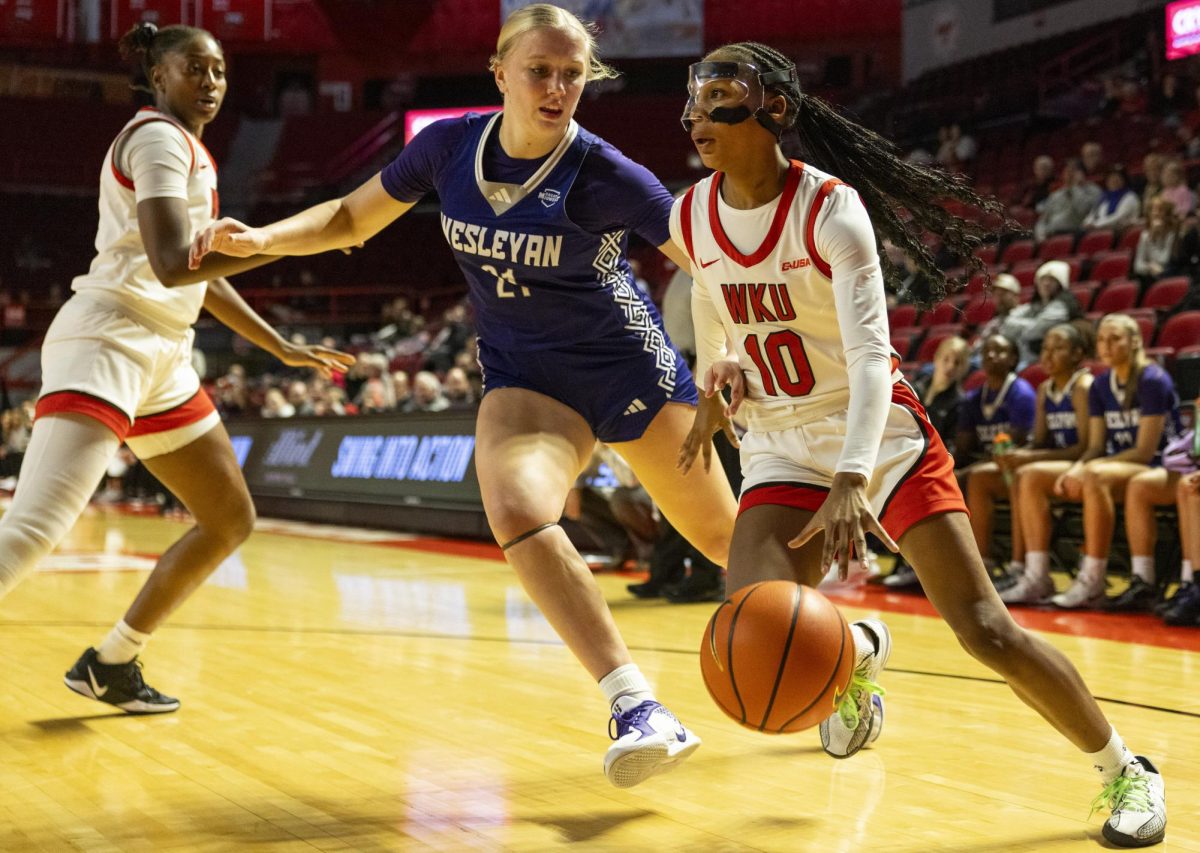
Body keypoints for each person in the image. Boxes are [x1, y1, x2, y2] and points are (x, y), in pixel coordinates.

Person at [191, 3, 738, 788]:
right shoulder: (447, 148)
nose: (556, 87)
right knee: (515, 507)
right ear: (500, 74)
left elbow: (713, 263)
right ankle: (636, 704)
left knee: (728, 546)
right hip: (526, 375)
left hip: (630, 370)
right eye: (539, 71)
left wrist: (732, 355)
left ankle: (842, 652)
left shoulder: (609, 172)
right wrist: (265, 240)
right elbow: (350, 217)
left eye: (572, 74)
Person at [674, 41, 1166, 847]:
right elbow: (706, 287)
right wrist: (714, 364)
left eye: (720, 96)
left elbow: (872, 359)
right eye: (694, 99)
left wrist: (851, 477)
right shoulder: (689, 211)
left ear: (775, 114)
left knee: (984, 628)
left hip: (879, 432)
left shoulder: (829, 209)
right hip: (779, 440)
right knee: (757, 618)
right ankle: (855, 654)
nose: (698, 115)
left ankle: (1125, 767)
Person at [0, 23, 352, 713]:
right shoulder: (158, 138)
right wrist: (282, 243)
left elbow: (197, 278)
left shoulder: (189, 149)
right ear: (157, 77)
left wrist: (277, 343)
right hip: (110, 339)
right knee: (35, 528)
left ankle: (112, 661)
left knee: (227, 516)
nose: (212, 81)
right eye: (196, 68)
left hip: (160, 350)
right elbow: (168, 262)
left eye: (220, 70)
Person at [1049, 314, 1182, 610]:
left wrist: (1090, 469)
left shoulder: (1152, 379)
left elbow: (1145, 451)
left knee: (1098, 476)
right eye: (1101, 339)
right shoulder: (1099, 385)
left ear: (1135, 341)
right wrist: (1078, 467)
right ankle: (1035, 572)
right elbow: (1096, 446)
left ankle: (1094, 576)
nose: (1106, 345)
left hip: (1166, 466)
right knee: (1084, 475)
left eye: (1115, 338)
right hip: (1127, 470)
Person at [1001, 323, 1094, 603]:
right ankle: (1022, 569)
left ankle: (1038, 575)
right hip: (1058, 464)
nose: (1048, 355)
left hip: (1085, 462)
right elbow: (1040, 441)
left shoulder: (1082, 386)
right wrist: (1016, 452)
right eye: (1045, 349)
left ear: (1077, 354)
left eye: (1058, 348)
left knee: (1028, 473)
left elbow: (1085, 447)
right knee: (1014, 472)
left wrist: (1030, 457)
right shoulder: (1044, 388)